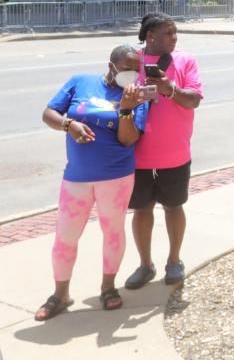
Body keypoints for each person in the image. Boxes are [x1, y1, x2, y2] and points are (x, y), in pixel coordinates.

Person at [34, 44, 149, 320]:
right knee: (65, 236)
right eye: (126, 69)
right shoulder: (80, 82)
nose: (131, 75)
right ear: (110, 66)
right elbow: (48, 113)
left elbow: (128, 139)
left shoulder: (137, 96)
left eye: (136, 70)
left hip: (117, 176)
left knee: (113, 231)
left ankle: (108, 287)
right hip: (77, 177)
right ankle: (60, 293)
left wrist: (126, 109)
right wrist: (69, 125)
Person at [124, 12, 204, 290]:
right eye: (168, 33)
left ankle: (174, 261)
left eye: (175, 32)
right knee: (141, 210)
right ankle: (145, 265)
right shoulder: (130, 59)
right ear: (149, 36)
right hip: (138, 154)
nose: (174, 37)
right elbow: (110, 93)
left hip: (175, 154)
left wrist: (170, 90)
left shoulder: (185, 60)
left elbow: (194, 100)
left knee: (174, 207)